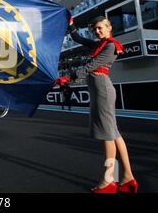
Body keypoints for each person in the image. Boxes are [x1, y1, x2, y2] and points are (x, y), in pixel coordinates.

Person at [55, 16, 138, 193]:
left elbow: (90, 66)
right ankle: (128, 177)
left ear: (109, 28)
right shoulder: (101, 44)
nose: (98, 31)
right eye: (95, 29)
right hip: (99, 89)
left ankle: (108, 181)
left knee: (108, 135)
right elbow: (79, 39)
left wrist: (69, 78)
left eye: (101, 28)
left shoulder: (110, 46)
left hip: (102, 90)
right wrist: (71, 25)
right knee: (114, 134)